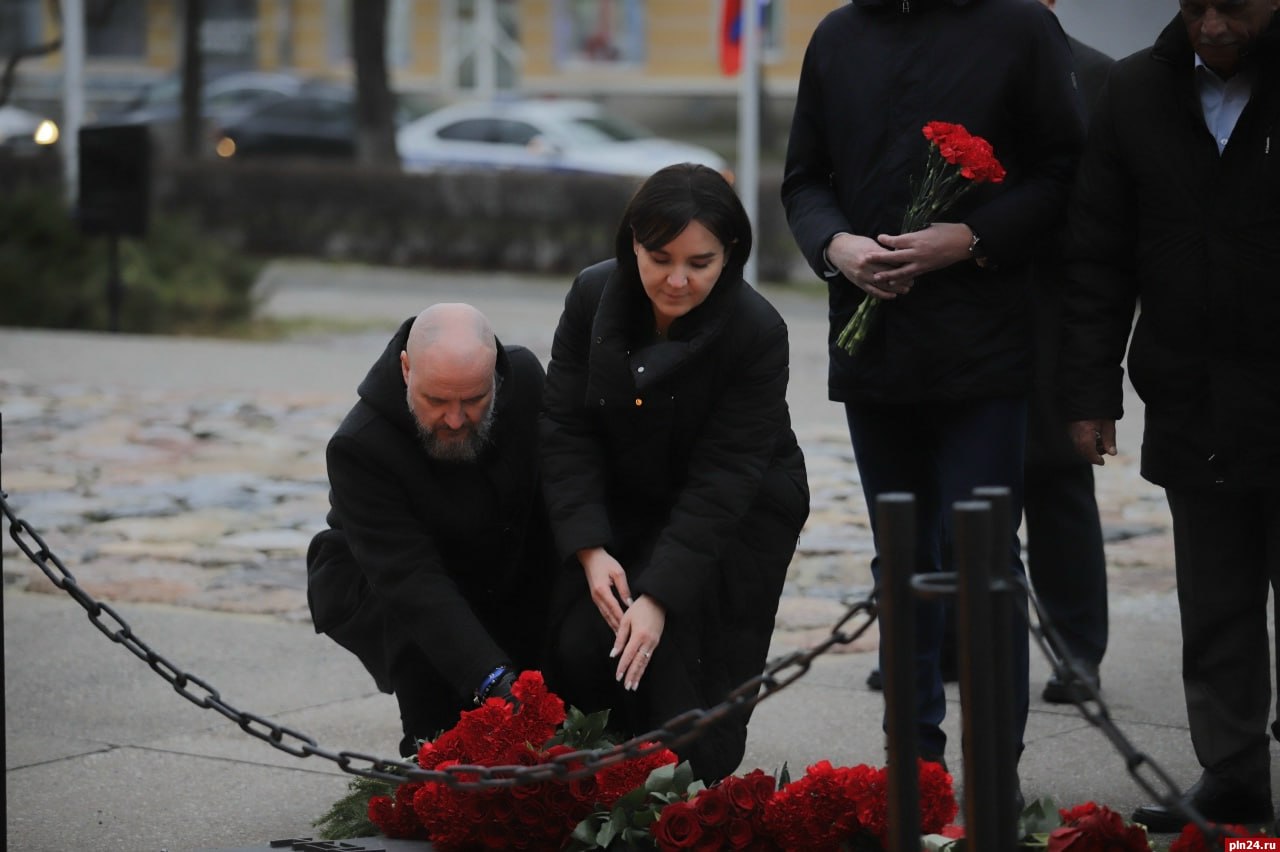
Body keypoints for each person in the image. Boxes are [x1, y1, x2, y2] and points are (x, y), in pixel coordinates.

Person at [781, 0, 1085, 792]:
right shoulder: (838, 36)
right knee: (900, 560)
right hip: (872, 347)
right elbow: (805, 179)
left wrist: (974, 240)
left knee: (984, 560)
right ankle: (913, 769)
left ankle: (993, 777)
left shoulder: (1019, 26)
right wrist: (835, 245)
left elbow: (1063, 172)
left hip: (982, 349)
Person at [1058, 0, 1280, 833]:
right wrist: (1090, 391)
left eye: (1236, 7)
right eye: (1196, 7)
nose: (1214, 26)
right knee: (1215, 602)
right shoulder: (1134, 92)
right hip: (1193, 392)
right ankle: (1233, 782)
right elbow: (1098, 252)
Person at [540, 163, 810, 784]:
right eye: (659, 258)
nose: (678, 280)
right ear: (632, 243)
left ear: (731, 252)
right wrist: (589, 549)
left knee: (686, 663)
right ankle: (599, 782)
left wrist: (660, 595)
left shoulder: (758, 331)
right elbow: (565, 425)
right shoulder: (591, 296)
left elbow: (726, 475)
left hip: (740, 507)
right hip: (624, 491)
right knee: (585, 639)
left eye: (700, 262)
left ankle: (682, 789)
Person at [306, 303, 552, 757]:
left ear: (496, 376)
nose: (455, 420)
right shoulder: (358, 445)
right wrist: (494, 680)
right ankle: (428, 742)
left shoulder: (525, 379)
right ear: (406, 370)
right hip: (382, 578)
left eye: (474, 400)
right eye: (436, 401)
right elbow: (410, 581)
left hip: (496, 550)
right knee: (443, 715)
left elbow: (553, 496)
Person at [1023, 0, 1114, 705]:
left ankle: (1077, 649)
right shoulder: (954, 58)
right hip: (967, 303)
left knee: (1058, 483)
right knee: (956, 492)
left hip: (1057, 304)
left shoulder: (1099, 75)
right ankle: (952, 639)